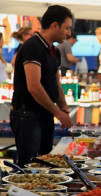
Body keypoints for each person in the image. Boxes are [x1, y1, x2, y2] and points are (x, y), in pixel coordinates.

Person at [10, 5, 73, 167]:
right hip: (28, 116)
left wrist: (64, 107)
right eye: (66, 28)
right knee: (29, 166)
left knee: (45, 163)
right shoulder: (32, 47)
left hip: (43, 116)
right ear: (54, 26)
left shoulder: (54, 51)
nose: (69, 33)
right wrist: (57, 112)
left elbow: (56, 83)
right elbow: (34, 87)